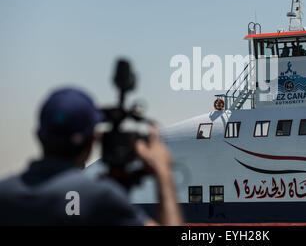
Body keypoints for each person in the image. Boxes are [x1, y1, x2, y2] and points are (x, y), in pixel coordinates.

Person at [0, 87, 183, 226]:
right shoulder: (100, 196)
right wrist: (163, 174)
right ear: (92, 141)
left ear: (38, 135)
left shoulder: (5, 193)